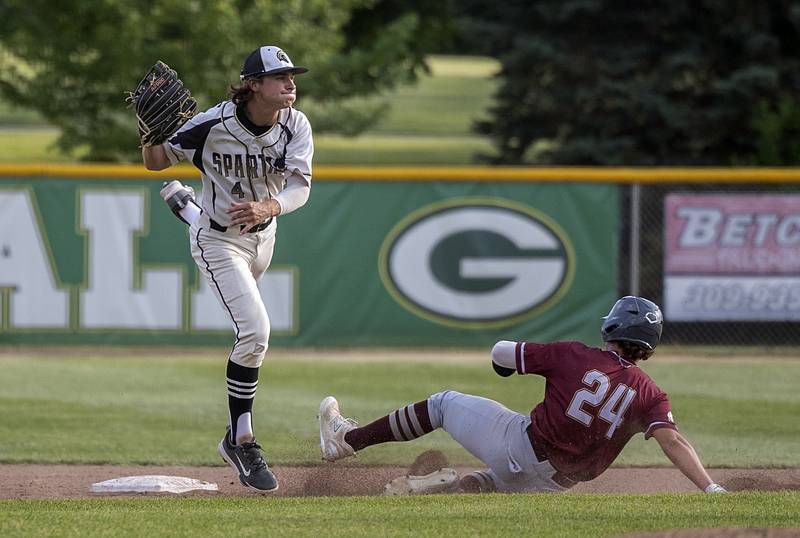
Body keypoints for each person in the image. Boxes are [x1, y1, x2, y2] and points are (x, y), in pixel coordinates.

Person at [319, 296, 727, 494]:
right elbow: (672, 440)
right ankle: (458, 486)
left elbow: (500, 353)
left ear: (613, 328)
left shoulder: (573, 354)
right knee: (495, 481)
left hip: (520, 447)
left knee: (442, 403)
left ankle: (346, 441)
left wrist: (506, 366)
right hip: (555, 486)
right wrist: (710, 488)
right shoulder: (651, 394)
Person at [142, 45, 313, 491]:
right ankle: (241, 438)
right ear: (253, 84)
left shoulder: (296, 124)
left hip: (264, 236)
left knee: (252, 338)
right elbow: (156, 161)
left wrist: (268, 205)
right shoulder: (213, 124)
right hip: (218, 241)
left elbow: (300, 188)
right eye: (280, 77)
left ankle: (185, 206)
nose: (291, 83)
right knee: (255, 332)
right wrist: (148, 133)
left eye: (292, 75)